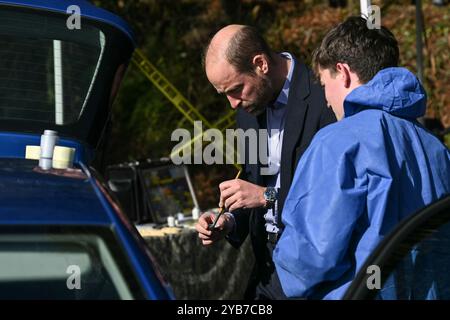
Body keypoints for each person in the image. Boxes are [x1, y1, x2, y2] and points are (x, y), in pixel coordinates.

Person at [273, 16, 450, 300]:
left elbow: (308, 259)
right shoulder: (436, 147)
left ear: (342, 72)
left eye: (323, 84)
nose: (327, 101)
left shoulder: (337, 143)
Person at [195, 24, 336, 299]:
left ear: (260, 64)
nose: (232, 104)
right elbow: (253, 185)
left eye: (235, 89)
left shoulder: (325, 98)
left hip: (314, 267)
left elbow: (331, 196)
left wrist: (266, 196)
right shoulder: (248, 109)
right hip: (267, 266)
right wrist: (229, 220)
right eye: (223, 94)